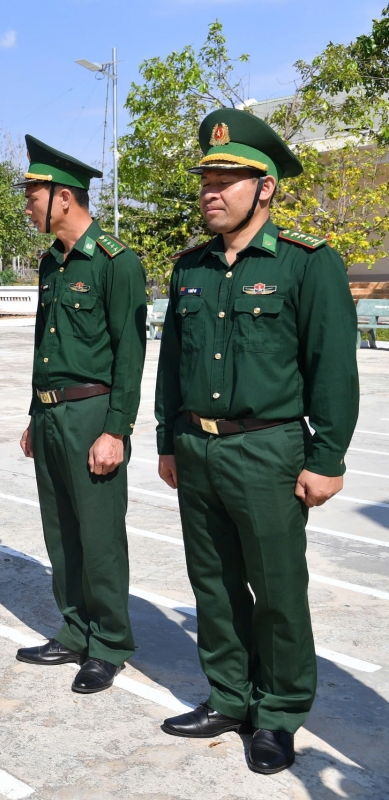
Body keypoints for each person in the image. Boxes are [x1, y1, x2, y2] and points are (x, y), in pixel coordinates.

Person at [154, 108, 358, 774]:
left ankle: (278, 712)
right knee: (212, 586)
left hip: (269, 451)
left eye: (228, 179)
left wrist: (326, 458)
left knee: (275, 591)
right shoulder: (192, 268)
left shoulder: (307, 264)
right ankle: (230, 697)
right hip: (198, 447)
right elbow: (172, 363)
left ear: (265, 186)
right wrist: (166, 440)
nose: (211, 191)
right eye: (207, 178)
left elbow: (332, 367)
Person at [11, 137, 147, 684]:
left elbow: (130, 357)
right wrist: (32, 413)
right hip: (49, 416)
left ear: (64, 198)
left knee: (98, 534)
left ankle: (109, 642)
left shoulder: (117, 263)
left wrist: (117, 430)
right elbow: (48, 345)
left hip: (93, 416)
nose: (27, 205)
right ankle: (74, 631)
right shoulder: (51, 263)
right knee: (60, 531)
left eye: (33, 194)